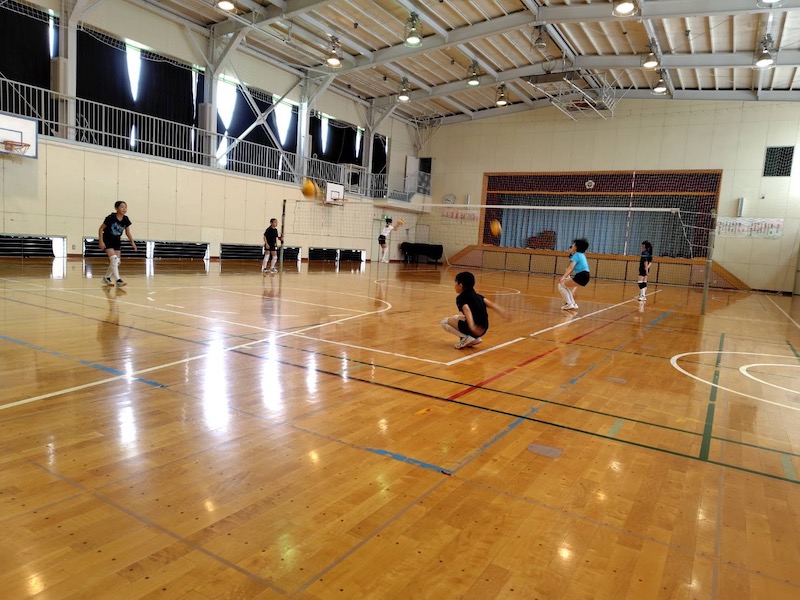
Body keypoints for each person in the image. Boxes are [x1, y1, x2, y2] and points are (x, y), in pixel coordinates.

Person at [441, 271, 508, 349]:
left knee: (444, 322)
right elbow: (491, 305)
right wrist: (503, 313)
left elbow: (467, 310)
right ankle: (475, 338)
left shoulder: (460, 298)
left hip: (475, 328)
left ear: (460, 285)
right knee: (456, 317)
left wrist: (472, 326)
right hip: (484, 328)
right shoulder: (478, 296)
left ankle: (466, 338)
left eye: (455, 283)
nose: (454, 285)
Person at [98, 201, 137, 287]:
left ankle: (106, 278)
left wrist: (132, 242)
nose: (124, 209)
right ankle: (118, 280)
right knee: (114, 259)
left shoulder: (126, 219)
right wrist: (101, 241)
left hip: (117, 241)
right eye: (122, 207)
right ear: (116, 208)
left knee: (117, 262)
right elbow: (101, 229)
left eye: (125, 207)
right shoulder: (110, 218)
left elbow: (128, 232)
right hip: (107, 239)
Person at [557, 238, 590, 310]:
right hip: (585, 276)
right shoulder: (581, 254)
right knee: (565, 286)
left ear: (576, 247)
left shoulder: (576, 255)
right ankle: (573, 304)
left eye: (573, 244)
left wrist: (563, 277)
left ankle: (569, 304)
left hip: (581, 275)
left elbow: (570, 268)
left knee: (561, 285)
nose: (572, 245)